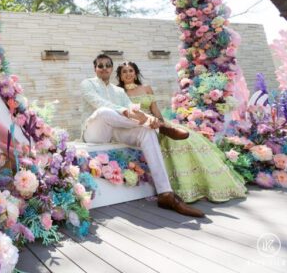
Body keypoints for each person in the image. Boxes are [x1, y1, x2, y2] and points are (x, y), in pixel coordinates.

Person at [80, 54, 205, 218]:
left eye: (107, 65)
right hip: (95, 131)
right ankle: (160, 126)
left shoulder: (118, 90)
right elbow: (98, 102)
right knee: (104, 111)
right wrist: (126, 112)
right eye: (100, 66)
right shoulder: (87, 84)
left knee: (147, 131)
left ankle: (166, 194)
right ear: (94, 68)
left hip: (116, 130)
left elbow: (130, 107)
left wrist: (133, 111)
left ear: (111, 68)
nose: (104, 68)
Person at [117, 61, 247, 203]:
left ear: (135, 73)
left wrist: (161, 122)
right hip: (138, 126)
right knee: (168, 140)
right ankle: (172, 188)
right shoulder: (118, 92)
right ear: (120, 76)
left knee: (188, 139)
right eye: (124, 72)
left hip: (158, 123)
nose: (128, 74)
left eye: (130, 70)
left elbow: (155, 110)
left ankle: (201, 184)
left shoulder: (146, 88)